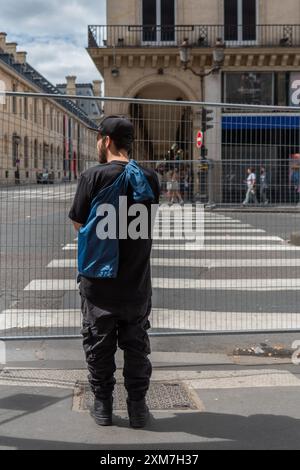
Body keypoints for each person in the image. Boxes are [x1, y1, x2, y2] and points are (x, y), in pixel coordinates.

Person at [68, 115, 160, 428]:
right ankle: (137, 407)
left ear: (106, 141)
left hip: (99, 280)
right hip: (135, 279)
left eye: (98, 138)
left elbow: (79, 223)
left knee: (98, 343)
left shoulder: (92, 177)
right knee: (136, 346)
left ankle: (104, 406)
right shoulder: (149, 177)